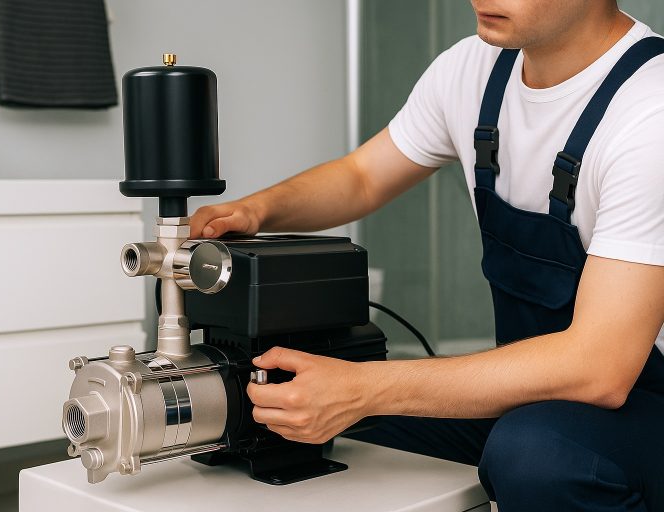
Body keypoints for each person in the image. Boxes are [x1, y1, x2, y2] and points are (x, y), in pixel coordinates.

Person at [190, 1, 664, 510]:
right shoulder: (472, 68)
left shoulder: (649, 112)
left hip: (642, 405)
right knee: (330, 429)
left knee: (534, 456)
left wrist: (366, 388)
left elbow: (599, 368)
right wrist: (255, 210)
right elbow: (363, 176)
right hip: (535, 391)